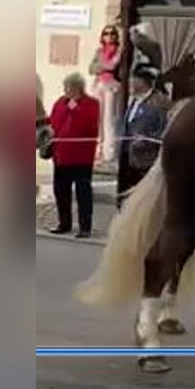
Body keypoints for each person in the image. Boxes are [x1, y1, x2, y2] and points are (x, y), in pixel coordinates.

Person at [48, 73, 100, 237]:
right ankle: (64, 223)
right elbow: (53, 122)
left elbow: (90, 126)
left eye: (68, 87)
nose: (65, 90)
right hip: (61, 155)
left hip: (81, 157)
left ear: (77, 87)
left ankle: (85, 227)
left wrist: (75, 110)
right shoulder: (59, 103)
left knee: (83, 192)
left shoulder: (91, 104)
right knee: (61, 191)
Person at [117, 64, 170, 208]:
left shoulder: (160, 102)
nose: (130, 83)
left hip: (146, 159)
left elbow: (166, 129)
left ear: (143, 81)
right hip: (128, 156)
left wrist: (148, 140)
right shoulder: (134, 99)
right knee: (126, 197)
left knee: (142, 200)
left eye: (133, 80)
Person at [89, 24, 122, 163]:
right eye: (106, 33)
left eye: (112, 33)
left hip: (111, 87)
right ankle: (97, 151)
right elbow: (91, 68)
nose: (109, 36)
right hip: (98, 86)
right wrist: (103, 66)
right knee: (97, 119)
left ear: (115, 36)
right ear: (102, 36)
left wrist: (100, 66)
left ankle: (109, 152)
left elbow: (113, 66)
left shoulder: (119, 50)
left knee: (108, 120)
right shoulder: (99, 51)